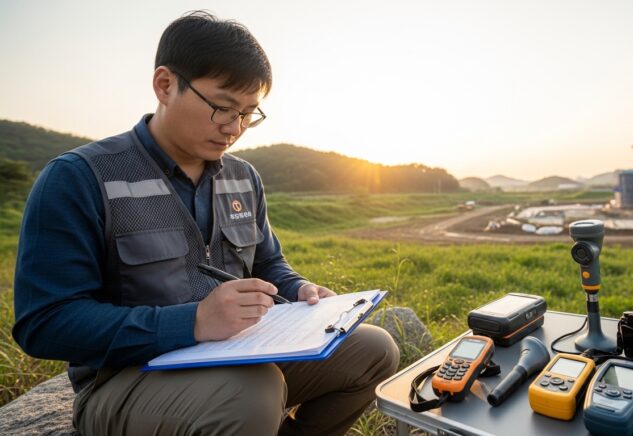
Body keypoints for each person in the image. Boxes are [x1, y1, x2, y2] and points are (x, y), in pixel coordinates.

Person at [13, 11, 399, 436]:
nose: (234, 128)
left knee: (374, 349)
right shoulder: (80, 177)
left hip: (240, 353)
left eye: (249, 113)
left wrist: (299, 290)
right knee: (253, 393)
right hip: (128, 376)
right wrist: (192, 322)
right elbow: (44, 323)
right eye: (222, 108)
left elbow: (268, 264)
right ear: (165, 85)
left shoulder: (242, 177)